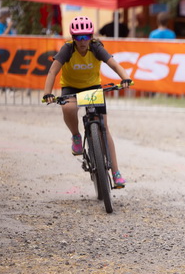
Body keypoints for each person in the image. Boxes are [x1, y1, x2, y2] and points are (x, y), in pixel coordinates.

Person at [42, 16, 132, 188]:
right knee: (68, 108)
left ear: (91, 36)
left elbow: (114, 64)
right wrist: (47, 93)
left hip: (93, 88)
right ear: (73, 37)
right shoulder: (67, 49)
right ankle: (76, 135)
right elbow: (53, 71)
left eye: (86, 36)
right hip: (71, 87)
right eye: (78, 37)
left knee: (104, 128)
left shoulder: (96, 47)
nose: (82, 41)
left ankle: (116, 172)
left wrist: (125, 78)